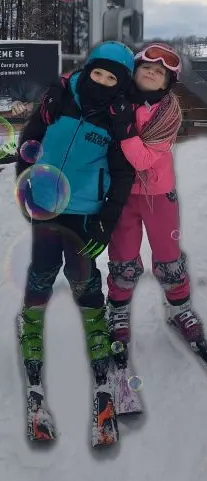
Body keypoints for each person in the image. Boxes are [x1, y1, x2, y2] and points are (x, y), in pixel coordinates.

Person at [15, 41, 136, 388]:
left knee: (83, 272)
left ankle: (96, 323)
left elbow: (123, 173)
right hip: (45, 203)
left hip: (86, 211)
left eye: (110, 78)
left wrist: (107, 221)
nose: (100, 80)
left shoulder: (118, 118)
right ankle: (32, 321)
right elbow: (30, 139)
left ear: (120, 84)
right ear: (87, 69)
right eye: (96, 71)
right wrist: (25, 183)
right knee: (42, 267)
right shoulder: (60, 99)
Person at [104, 43, 205, 366]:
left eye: (160, 71)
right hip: (121, 194)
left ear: (167, 83)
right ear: (134, 71)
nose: (152, 72)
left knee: (167, 254)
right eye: (147, 66)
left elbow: (145, 159)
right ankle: (117, 312)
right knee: (122, 255)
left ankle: (179, 308)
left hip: (159, 195)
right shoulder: (115, 103)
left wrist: (122, 130)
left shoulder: (168, 114)